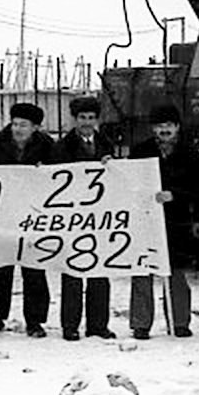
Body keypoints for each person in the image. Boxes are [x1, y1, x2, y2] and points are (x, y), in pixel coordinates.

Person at [128, 103, 199, 340]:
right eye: (160, 126)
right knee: (142, 271)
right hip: (146, 219)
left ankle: (179, 321)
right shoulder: (141, 151)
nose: (165, 130)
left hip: (177, 220)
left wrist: (176, 195)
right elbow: (128, 180)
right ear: (153, 128)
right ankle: (141, 323)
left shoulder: (190, 153)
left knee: (176, 272)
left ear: (177, 127)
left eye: (169, 125)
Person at [0, 102, 55, 338]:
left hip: (35, 214)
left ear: (35, 127)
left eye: (23, 124)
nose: (18, 128)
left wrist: (47, 170)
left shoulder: (46, 145)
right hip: (3, 212)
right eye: (15, 124)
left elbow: (61, 172)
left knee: (34, 269)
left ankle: (35, 320)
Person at [52, 95, 117, 340]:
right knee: (72, 273)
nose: (87, 122)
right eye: (82, 118)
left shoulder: (106, 144)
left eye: (91, 118)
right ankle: (70, 325)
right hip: (73, 217)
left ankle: (98, 324)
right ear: (75, 119)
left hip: (99, 218)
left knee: (100, 270)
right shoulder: (62, 147)